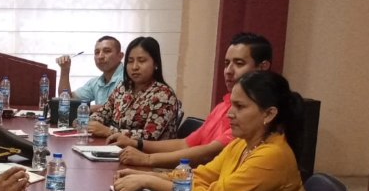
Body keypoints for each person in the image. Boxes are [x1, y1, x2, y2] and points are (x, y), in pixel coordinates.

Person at [113, 68, 309, 191]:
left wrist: (149, 182)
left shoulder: (273, 155)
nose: (230, 113)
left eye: (240, 107)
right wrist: (143, 175)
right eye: (232, 105)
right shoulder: (241, 142)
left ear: (269, 114)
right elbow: (201, 177)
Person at [114, 31, 273, 173]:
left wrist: (147, 160)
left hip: (204, 183)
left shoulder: (257, 113)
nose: (228, 71)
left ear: (263, 67)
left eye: (239, 64)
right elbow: (185, 144)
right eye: (226, 64)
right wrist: (137, 143)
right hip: (197, 178)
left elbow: (208, 153)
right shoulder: (223, 105)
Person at [81, 36, 184, 148]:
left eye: (141, 61)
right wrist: (88, 123)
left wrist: (108, 131)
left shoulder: (163, 94)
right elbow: (103, 113)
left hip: (147, 155)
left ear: (155, 64)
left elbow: (149, 136)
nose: (134, 67)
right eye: (130, 61)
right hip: (116, 148)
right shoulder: (123, 88)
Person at [55, 35, 124, 111]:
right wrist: (65, 69)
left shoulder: (127, 77)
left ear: (120, 56)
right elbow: (67, 100)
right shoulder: (96, 82)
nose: (100, 56)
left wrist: (86, 108)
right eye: (97, 52)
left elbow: (119, 106)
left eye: (107, 51)